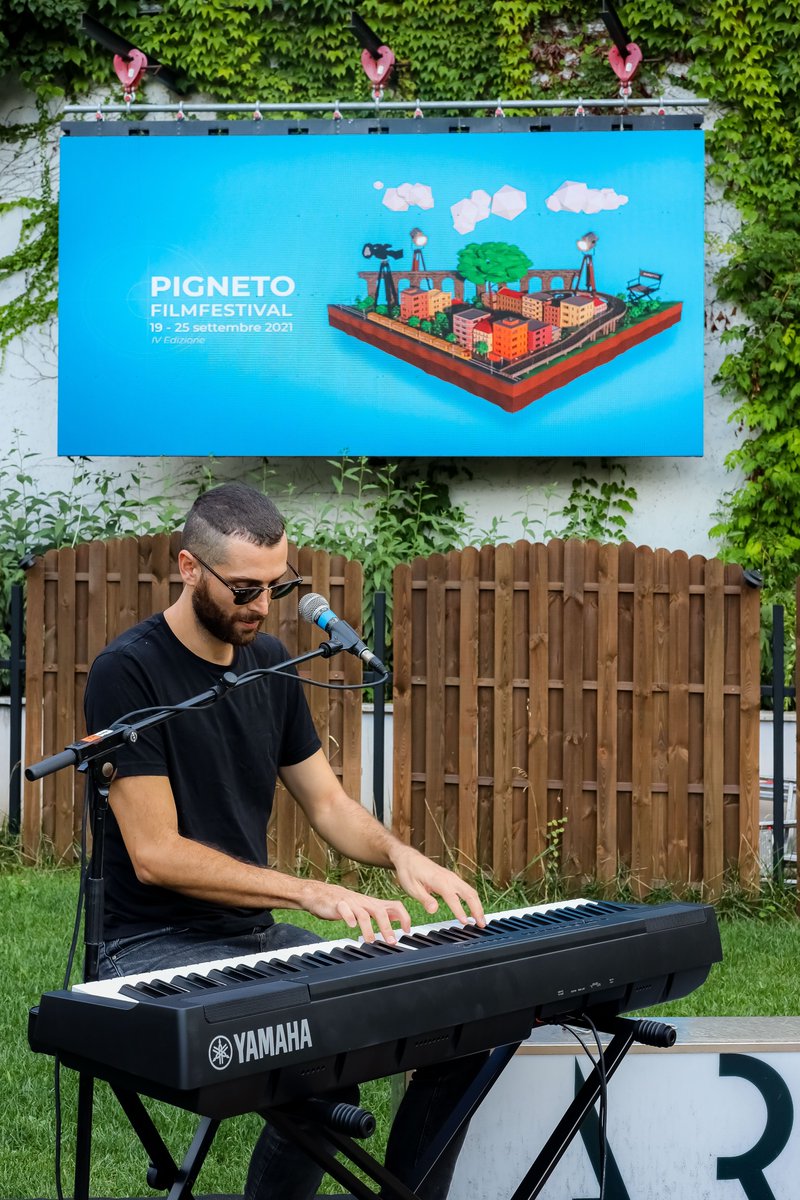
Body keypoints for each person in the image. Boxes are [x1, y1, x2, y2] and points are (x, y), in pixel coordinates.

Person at [83, 481, 487, 1200]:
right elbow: (156, 853)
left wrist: (399, 853)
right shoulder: (131, 671)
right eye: (244, 588)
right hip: (151, 946)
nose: (263, 606)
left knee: (459, 1025)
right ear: (188, 568)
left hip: (251, 938)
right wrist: (310, 890)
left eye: (279, 586)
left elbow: (327, 804)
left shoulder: (269, 662)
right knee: (319, 1056)